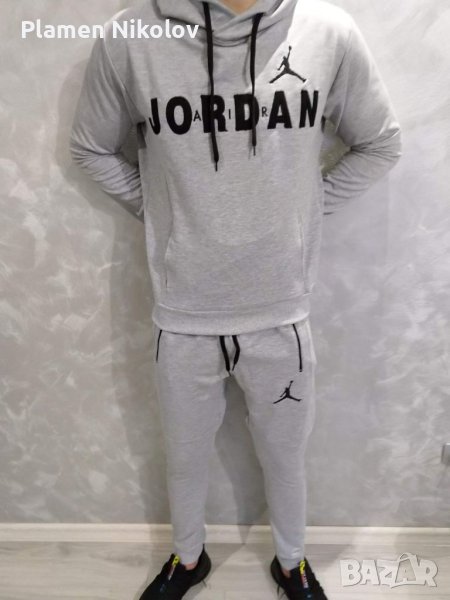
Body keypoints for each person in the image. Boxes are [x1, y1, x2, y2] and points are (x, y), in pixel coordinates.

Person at [69, 0, 402, 597]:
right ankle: (187, 558)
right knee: (184, 456)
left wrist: (305, 212)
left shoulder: (327, 31)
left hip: (281, 312)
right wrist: (161, 213)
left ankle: (292, 561)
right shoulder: (131, 36)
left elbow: (380, 142)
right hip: (184, 311)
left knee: (285, 456)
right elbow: (90, 146)